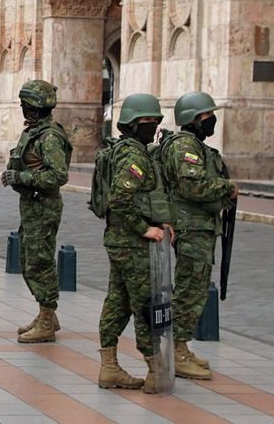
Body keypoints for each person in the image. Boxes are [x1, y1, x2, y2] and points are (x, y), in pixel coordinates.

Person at [97, 93, 174, 393]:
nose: (153, 124)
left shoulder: (124, 150)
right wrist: (146, 229)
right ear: (132, 123)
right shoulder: (133, 155)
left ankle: (109, 366)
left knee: (117, 301)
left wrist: (160, 221)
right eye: (147, 120)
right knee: (145, 304)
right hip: (131, 243)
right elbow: (120, 198)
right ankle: (155, 369)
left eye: (155, 120)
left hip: (119, 240)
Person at [164, 92, 236, 381]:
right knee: (188, 291)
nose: (212, 121)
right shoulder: (185, 147)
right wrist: (225, 187)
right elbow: (192, 188)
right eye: (207, 116)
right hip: (191, 227)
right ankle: (177, 351)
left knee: (194, 288)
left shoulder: (194, 145)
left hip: (199, 227)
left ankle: (182, 347)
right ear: (193, 119)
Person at [1, 80, 72, 343]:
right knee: (28, 261)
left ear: (33, 106)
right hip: (32, 206)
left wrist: (21, 176)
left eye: (24, 104)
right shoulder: (34, 131)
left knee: (39, 263)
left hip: (43, 207)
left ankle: (46, 316)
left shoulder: (49, 136)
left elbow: (58, 176)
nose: (22, 108)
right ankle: (47, 314)